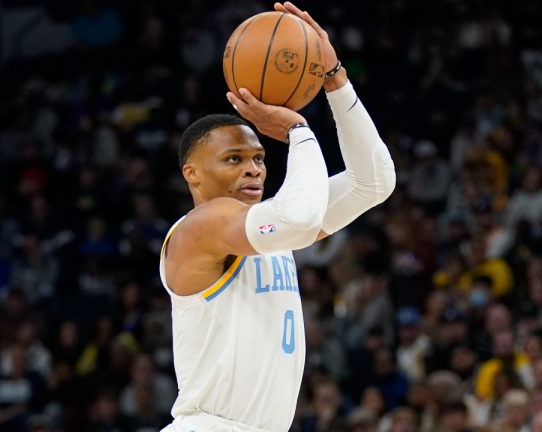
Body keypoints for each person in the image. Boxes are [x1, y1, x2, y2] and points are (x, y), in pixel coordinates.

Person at [158, 2, 395, 431]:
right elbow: (301, 220)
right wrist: (296, 131)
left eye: (259, 158)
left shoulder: (269, 224)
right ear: (191, 173)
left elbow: (373, 183)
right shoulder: (202, 227)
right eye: (234, 159)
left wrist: (335, 79)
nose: (253, 169)